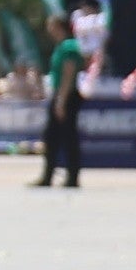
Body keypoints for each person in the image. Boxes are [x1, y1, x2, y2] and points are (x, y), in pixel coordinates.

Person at [36, 34, 86, 187]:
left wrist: (61, 101)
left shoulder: (69, 47)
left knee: (67, 137)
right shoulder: (60, 47)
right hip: (60, 94)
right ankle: (48, 175)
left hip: (66, 95)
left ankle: (72, 177)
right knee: (52, 138)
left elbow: (68, 73)